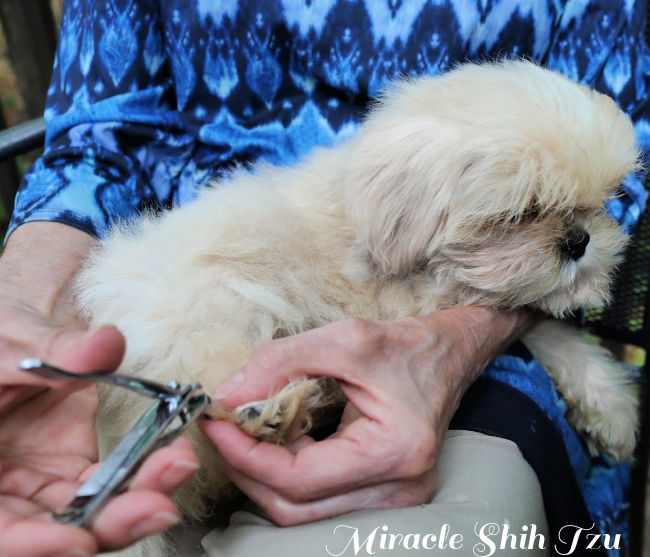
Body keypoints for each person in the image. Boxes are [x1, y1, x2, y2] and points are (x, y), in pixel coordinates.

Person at [1, 1, 649, 555]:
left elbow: (623, 194)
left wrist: (459, 339)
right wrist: (23, 318)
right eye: (524, 212)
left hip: (475, 371)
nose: (573, 233)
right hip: (194, 277)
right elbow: (96, 144)